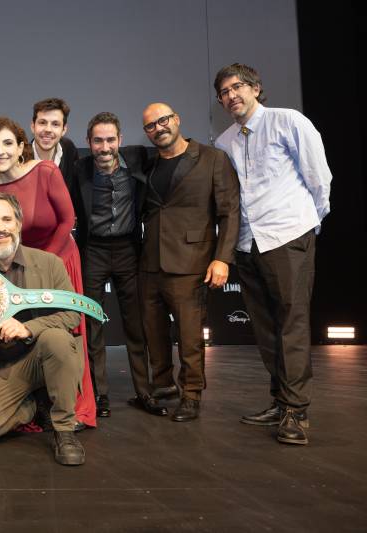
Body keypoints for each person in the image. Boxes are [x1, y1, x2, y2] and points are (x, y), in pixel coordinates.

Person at [213, 63, 332, 445]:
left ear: (256, 88)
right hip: (248, 243)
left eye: (237, 87)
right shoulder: (224, 141)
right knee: (265, 330)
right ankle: (281, 401)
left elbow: (318, 178)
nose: (231, 96)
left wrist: (307, 224)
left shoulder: (288, 121)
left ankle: (297, 412)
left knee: (291, 326)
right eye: (224, 92)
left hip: (287, 236)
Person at [0, 116, 96, 427]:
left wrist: (42, 265)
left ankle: (75, 407)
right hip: (16, 271)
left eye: (6, 143)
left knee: (63, 333)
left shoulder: (45, 171)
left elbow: (67, 220)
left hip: (55, 261)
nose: (0, 151)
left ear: (20, 147)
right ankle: (35, 399)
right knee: (26, 333)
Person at [0, 193, 85, 466]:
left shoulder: (49, 263)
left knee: (56, 338)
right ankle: (30, 405)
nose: (0, 227)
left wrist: (28, 328)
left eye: (7, 219)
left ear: (18, 224)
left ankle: (63, 429)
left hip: (46, 353)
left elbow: (72, 315)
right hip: (6, 368)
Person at [139, 103, 240, 421]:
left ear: (177, 119)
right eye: (151, 125)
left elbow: (229, 212)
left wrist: (222, 258)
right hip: (151, 262)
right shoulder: (149, 165)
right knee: (153, 333)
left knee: (190, 334)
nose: (159, 127)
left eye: (163, 120)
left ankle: (192, 394)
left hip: (192, 262)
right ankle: (164, 386)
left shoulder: (212, 159)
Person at [71, 112, 165, 417]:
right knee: (92, 325)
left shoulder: (137, 163)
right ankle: (99, 395)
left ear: (120, 141)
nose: (104, 146)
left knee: (136, 323)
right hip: (93, 250)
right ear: (89, 142)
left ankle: (144, 392)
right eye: (98, 140)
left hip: (128, 250)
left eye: (110, 139)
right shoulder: (79, 171)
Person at [30, 97, 79, 188]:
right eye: (42, 122)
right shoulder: (20, 158)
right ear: (33, 127)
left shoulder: (69, 150)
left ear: (64, 130)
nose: (48, 129)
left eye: (55, 124)